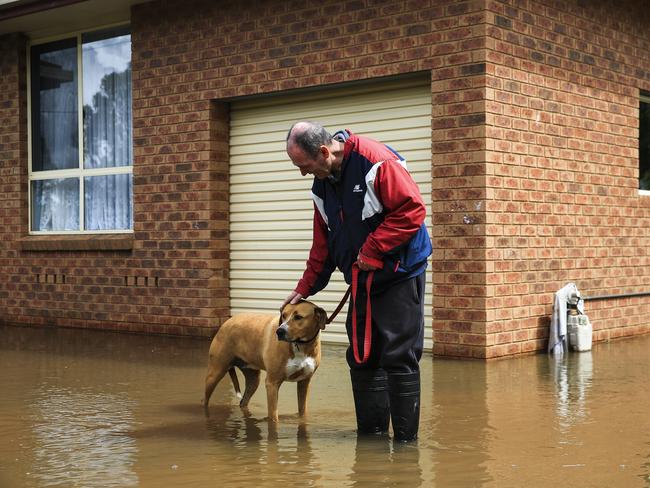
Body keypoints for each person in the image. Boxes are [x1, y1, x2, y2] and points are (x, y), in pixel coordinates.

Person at [282, 121, 431, 442]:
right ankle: (372, 440)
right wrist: (303, 288)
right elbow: (323, 246)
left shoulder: (376, 162)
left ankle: (406, 448)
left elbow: (412, 210)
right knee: (363, 356)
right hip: (362, 279)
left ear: (324, 152)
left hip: (399, 275)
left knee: (399, 356)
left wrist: (374, 249)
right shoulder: (322, 186)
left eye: (304, 166)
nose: (303, 174)